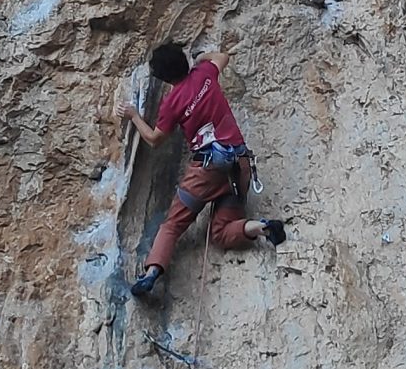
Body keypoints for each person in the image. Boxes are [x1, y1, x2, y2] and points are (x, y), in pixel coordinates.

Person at [118, 42, 285, 302]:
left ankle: (151, 273)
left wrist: (133, 115)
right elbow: (222, 56)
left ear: (163, 77)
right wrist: (200, 57)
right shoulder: (204, 73)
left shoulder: (171, 103)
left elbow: (154, 139)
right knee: (222, 231)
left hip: (206, 170)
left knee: (173, 224)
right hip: (238, 166)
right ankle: (261, 227)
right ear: (184, 62)